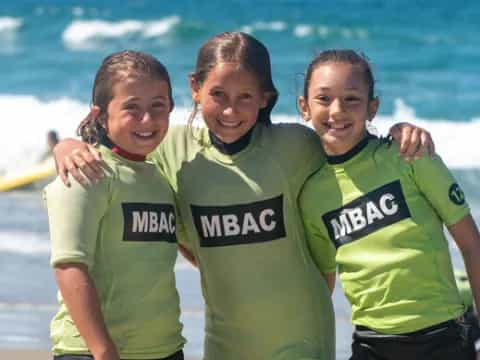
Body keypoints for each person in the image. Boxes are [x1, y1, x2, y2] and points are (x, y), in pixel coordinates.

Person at [52, 33, 434, 360]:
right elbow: (127, 159)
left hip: (302, 340)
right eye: (218, 94)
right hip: (224, 343)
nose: (230, 110)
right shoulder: (171, 148)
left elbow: (350, 140)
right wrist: (68, 146)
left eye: (245, 96)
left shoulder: (295, 145)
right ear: (195, 89)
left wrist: (400, 132)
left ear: (266, 97)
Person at [298, 49, 480, 360]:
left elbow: (471, 244)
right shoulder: (312, 194)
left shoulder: (410, 155)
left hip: (442, 337)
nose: (337, 111)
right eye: (324, 99)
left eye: (352, 99)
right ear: (304, 107)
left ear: (373, 107)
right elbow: (325, 284)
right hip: (371, 344)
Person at [44, 50, 185, 360]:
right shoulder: (85, 172)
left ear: (171, 108)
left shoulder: (159, 178)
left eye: (157, 106)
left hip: (165, 349)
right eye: (131, 108)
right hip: (92, 351)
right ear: (100, 115)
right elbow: (70, 266)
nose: (147, 119)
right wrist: (103, 350)